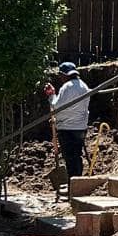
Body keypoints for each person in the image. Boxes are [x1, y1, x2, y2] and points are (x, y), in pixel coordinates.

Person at [44, 62, 91, 191]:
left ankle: (73, 187)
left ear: (63, 75)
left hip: (67, 128)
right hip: (80, 127)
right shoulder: (83, 86)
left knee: (70, 158)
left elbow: (57, 107)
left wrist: (51, 95)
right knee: (77, 156)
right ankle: (77, 185)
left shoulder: (67, 87)